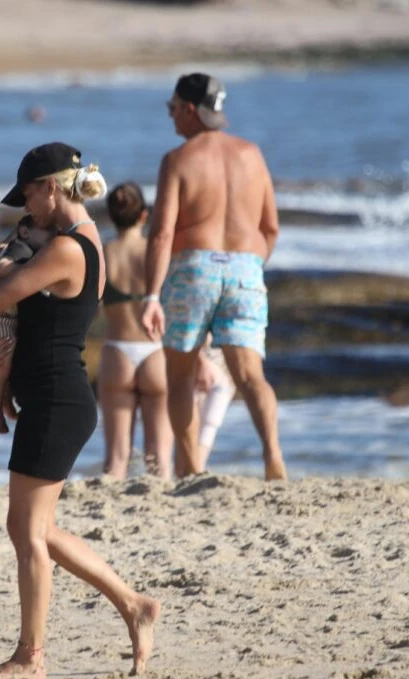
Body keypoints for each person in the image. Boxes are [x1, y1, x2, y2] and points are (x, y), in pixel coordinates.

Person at [0, 143, 160, 679]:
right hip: (54, 397)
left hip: (58, 401)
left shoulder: (68, 249)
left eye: (28, 197)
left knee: (28, 532)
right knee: (34, 528)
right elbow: (39, 327)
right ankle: (134, 605)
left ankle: (30, 657)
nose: (25, 209)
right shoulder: (85, 240)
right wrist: (5, 379)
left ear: (51, 188)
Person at [141, 72, 287, 481]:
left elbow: (162, 233)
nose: (170, 116)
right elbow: (270, 228)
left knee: (181, 376)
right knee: (250, 376)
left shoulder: (178, 160)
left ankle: (191, 468)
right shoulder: (252, 154)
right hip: (245, 268)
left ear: (190, 110)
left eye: (172, 108)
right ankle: (273, 458)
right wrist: (247, 266)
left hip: (193, 269)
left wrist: (151, 296)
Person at [98, 181, 172, 480]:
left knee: (116, 460)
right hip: (155, 352)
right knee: (159, 459)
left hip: (118, 351)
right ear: (144, 215)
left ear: (111, 216)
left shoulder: (104, 252)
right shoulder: (155, 253)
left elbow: (90, 304)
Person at [0, 214, 53, 434]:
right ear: (25, 232)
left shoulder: (31, 248)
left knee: (10, 363)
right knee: (2, 366)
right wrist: (32, 273)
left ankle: (6, 402)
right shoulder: (19, 247)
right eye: (47, 230)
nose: (53, 234)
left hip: (7, 315)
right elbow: (1, 267)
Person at [188, 334, 237, 478]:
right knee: (201, 422)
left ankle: (195, 469)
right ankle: (194, 469)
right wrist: (201, 360)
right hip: (202, 354)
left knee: (206, 423)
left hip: (213, 355)